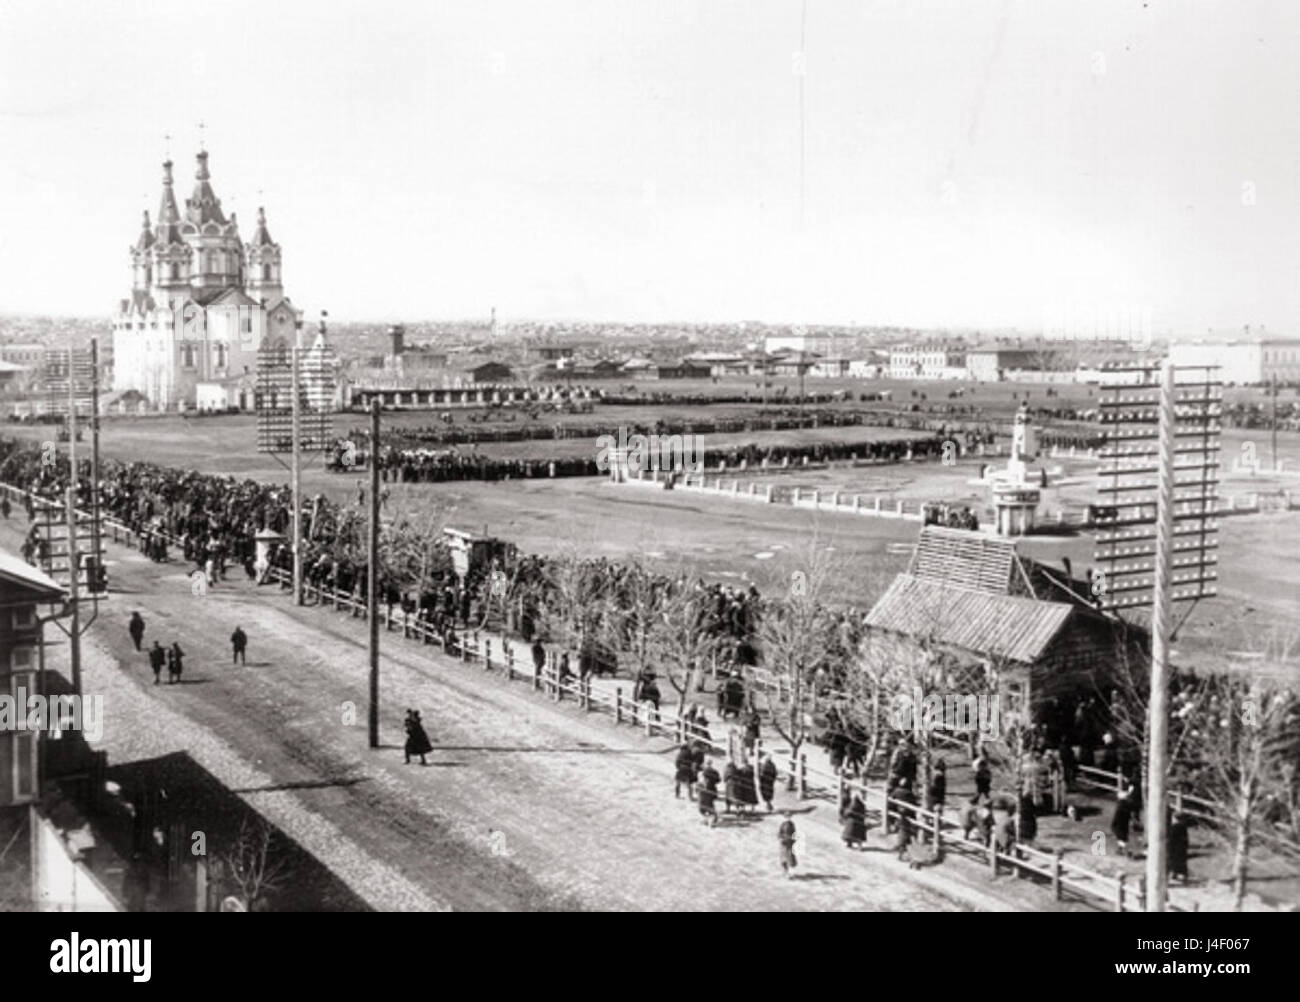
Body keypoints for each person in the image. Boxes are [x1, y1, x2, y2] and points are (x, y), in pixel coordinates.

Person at [1111, 787, 1134, 858]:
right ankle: (1121, 849)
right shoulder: (1127, 805)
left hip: (1119, 823)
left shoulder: (1120, 806)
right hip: (1125, 823)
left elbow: (1117, 816)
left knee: (1121, 837)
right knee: (1122, 837)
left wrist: (1114, 823)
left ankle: (1128, 851)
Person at [697, 759, 720, 827]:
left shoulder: (702, 773)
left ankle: (709, 819)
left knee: (704, 806)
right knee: (710, 804)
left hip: (704, 792)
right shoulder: (715, 771)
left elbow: (699, 783)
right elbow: (718, 780)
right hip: (712, 789)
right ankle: (711, 819)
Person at [1168, 811, 1189, 883]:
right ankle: (1182, 874)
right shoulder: (1184, 827)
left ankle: (1175, 873)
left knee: (1174, 860)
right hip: (1182, 847)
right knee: (1181, 860)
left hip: (1175, 847)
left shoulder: (1174, 827)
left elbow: (1171, 838)